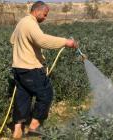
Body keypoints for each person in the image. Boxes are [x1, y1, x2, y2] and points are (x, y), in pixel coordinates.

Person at [10, 1, 78, 139]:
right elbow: (42, 40)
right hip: (31, 68)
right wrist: (66, 42)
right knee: (46, 94)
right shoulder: (30, 23)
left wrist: (26, 49)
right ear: (37, 11)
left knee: (23, 97)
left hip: (19, 68)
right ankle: (34, 127)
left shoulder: (22, 22)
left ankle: (17, 130)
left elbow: (12, 40)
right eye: (45, 15)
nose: (45, 18)